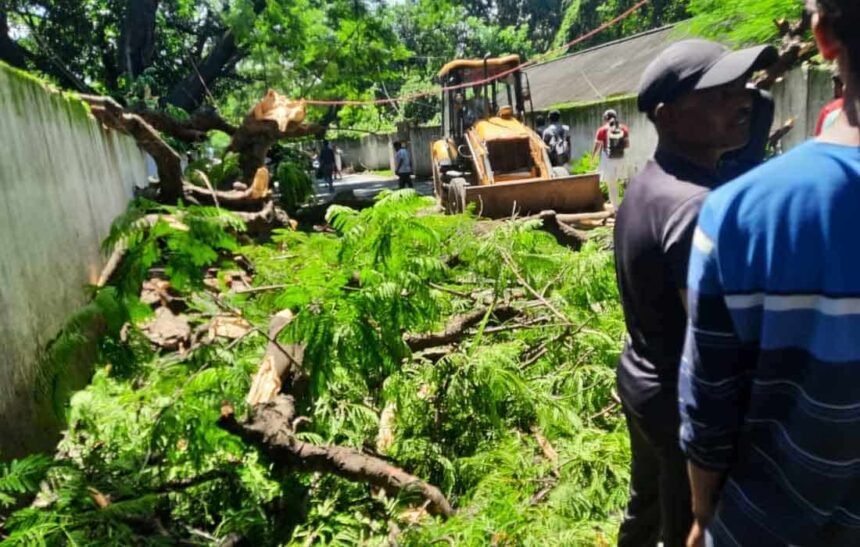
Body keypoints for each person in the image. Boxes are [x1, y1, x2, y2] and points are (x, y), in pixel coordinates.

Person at [680, 1, 860, 545]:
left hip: (768, 524)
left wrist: (703, 515)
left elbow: (709, 408)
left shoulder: (737, 213)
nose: (738, 106)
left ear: (823, 35)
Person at [613, 39, 777, 547]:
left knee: (647, 509)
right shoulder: (694, 209)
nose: (743, 99)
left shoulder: (652, 183)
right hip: (681, 409)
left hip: (642, 380)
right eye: (719, 93)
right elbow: (718, 347)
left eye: (741, 86)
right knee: (689, 526)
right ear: (667, 116)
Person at [592, 109, 630, 209]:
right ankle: (628, 203)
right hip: (621, 158)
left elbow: (597, 146)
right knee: (624, 181)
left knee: (611, 183)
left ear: (605, 118)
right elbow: (627, 145)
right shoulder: (623, 129)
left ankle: (616, 207)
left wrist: (593, 157)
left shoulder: (602, 130)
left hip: (608, 159)